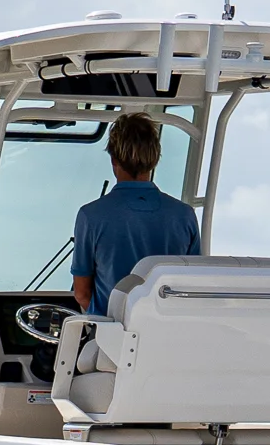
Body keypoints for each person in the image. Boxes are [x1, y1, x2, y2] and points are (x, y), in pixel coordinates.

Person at [68, 112, 200, 316]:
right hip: (168, 338)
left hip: (113, 341)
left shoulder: (91, 216)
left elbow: (82, 293)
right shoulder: (184, 216)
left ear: (114, 159)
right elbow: (192, 286)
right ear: (155, 159)